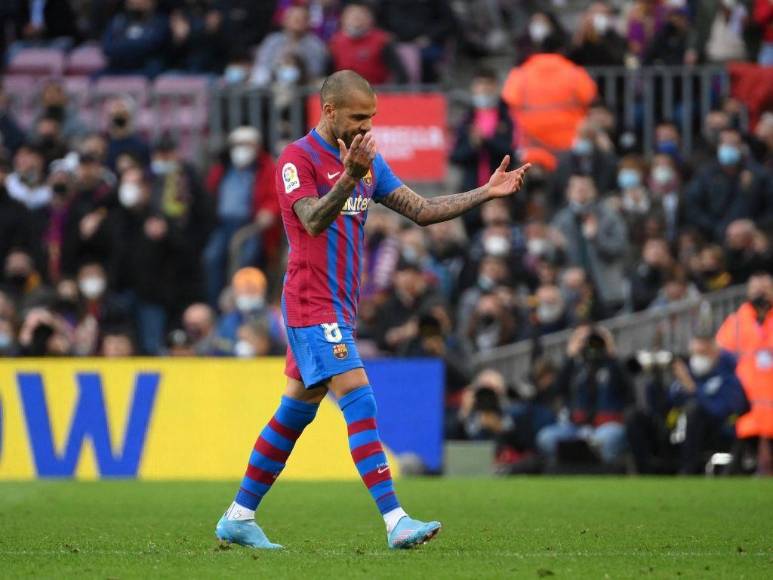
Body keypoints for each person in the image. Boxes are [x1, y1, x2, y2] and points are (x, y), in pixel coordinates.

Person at [214, 70, 530, 550]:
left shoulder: (367, 160)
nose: (366, 128)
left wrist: (485, 193)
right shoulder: (296, 159)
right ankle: (395, 519)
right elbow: (313, 220)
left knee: (294, 412)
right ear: (330, 112)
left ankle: (239, 515)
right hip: (309, 300)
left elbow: (422, 210)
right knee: (359, 398)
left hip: (340, 303)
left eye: (372, 119)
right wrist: (350, 178)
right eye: (358, 118)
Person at [716, 272, 773, 475]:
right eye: (756, 288)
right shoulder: (736, 322)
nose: (761, 293)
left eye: (765, 288)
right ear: (748, 292)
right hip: (744, 404)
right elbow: (719, 357)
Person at [328, 3, 407, 85]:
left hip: (377, 91)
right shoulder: (335, 42)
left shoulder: (382, 41)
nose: (356, 21)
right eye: (352, 16)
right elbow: (328, 73)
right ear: (342, 19)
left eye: (360, 16)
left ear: (370, 19)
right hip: (344, 92)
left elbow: (400, 75)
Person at [250, 5, 328, 87]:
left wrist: (297, 64)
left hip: (303, 84)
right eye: (294, 18)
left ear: (308, 22)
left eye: (301, 19)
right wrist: (279, 64)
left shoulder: (315, 44)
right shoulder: (273, 40)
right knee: (260, 75)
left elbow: (316, 71)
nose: (297, 22)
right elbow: (262, 63)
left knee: (289, 75)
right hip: (271, 80)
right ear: (285, 21)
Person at [101, 0, 168, 78]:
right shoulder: (118, 21)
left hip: (146, 69)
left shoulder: (161, 21)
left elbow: (151, 45)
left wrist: (121, 43)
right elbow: (107, 48)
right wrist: (136, 43)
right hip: (117, 68)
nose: (136, 1)